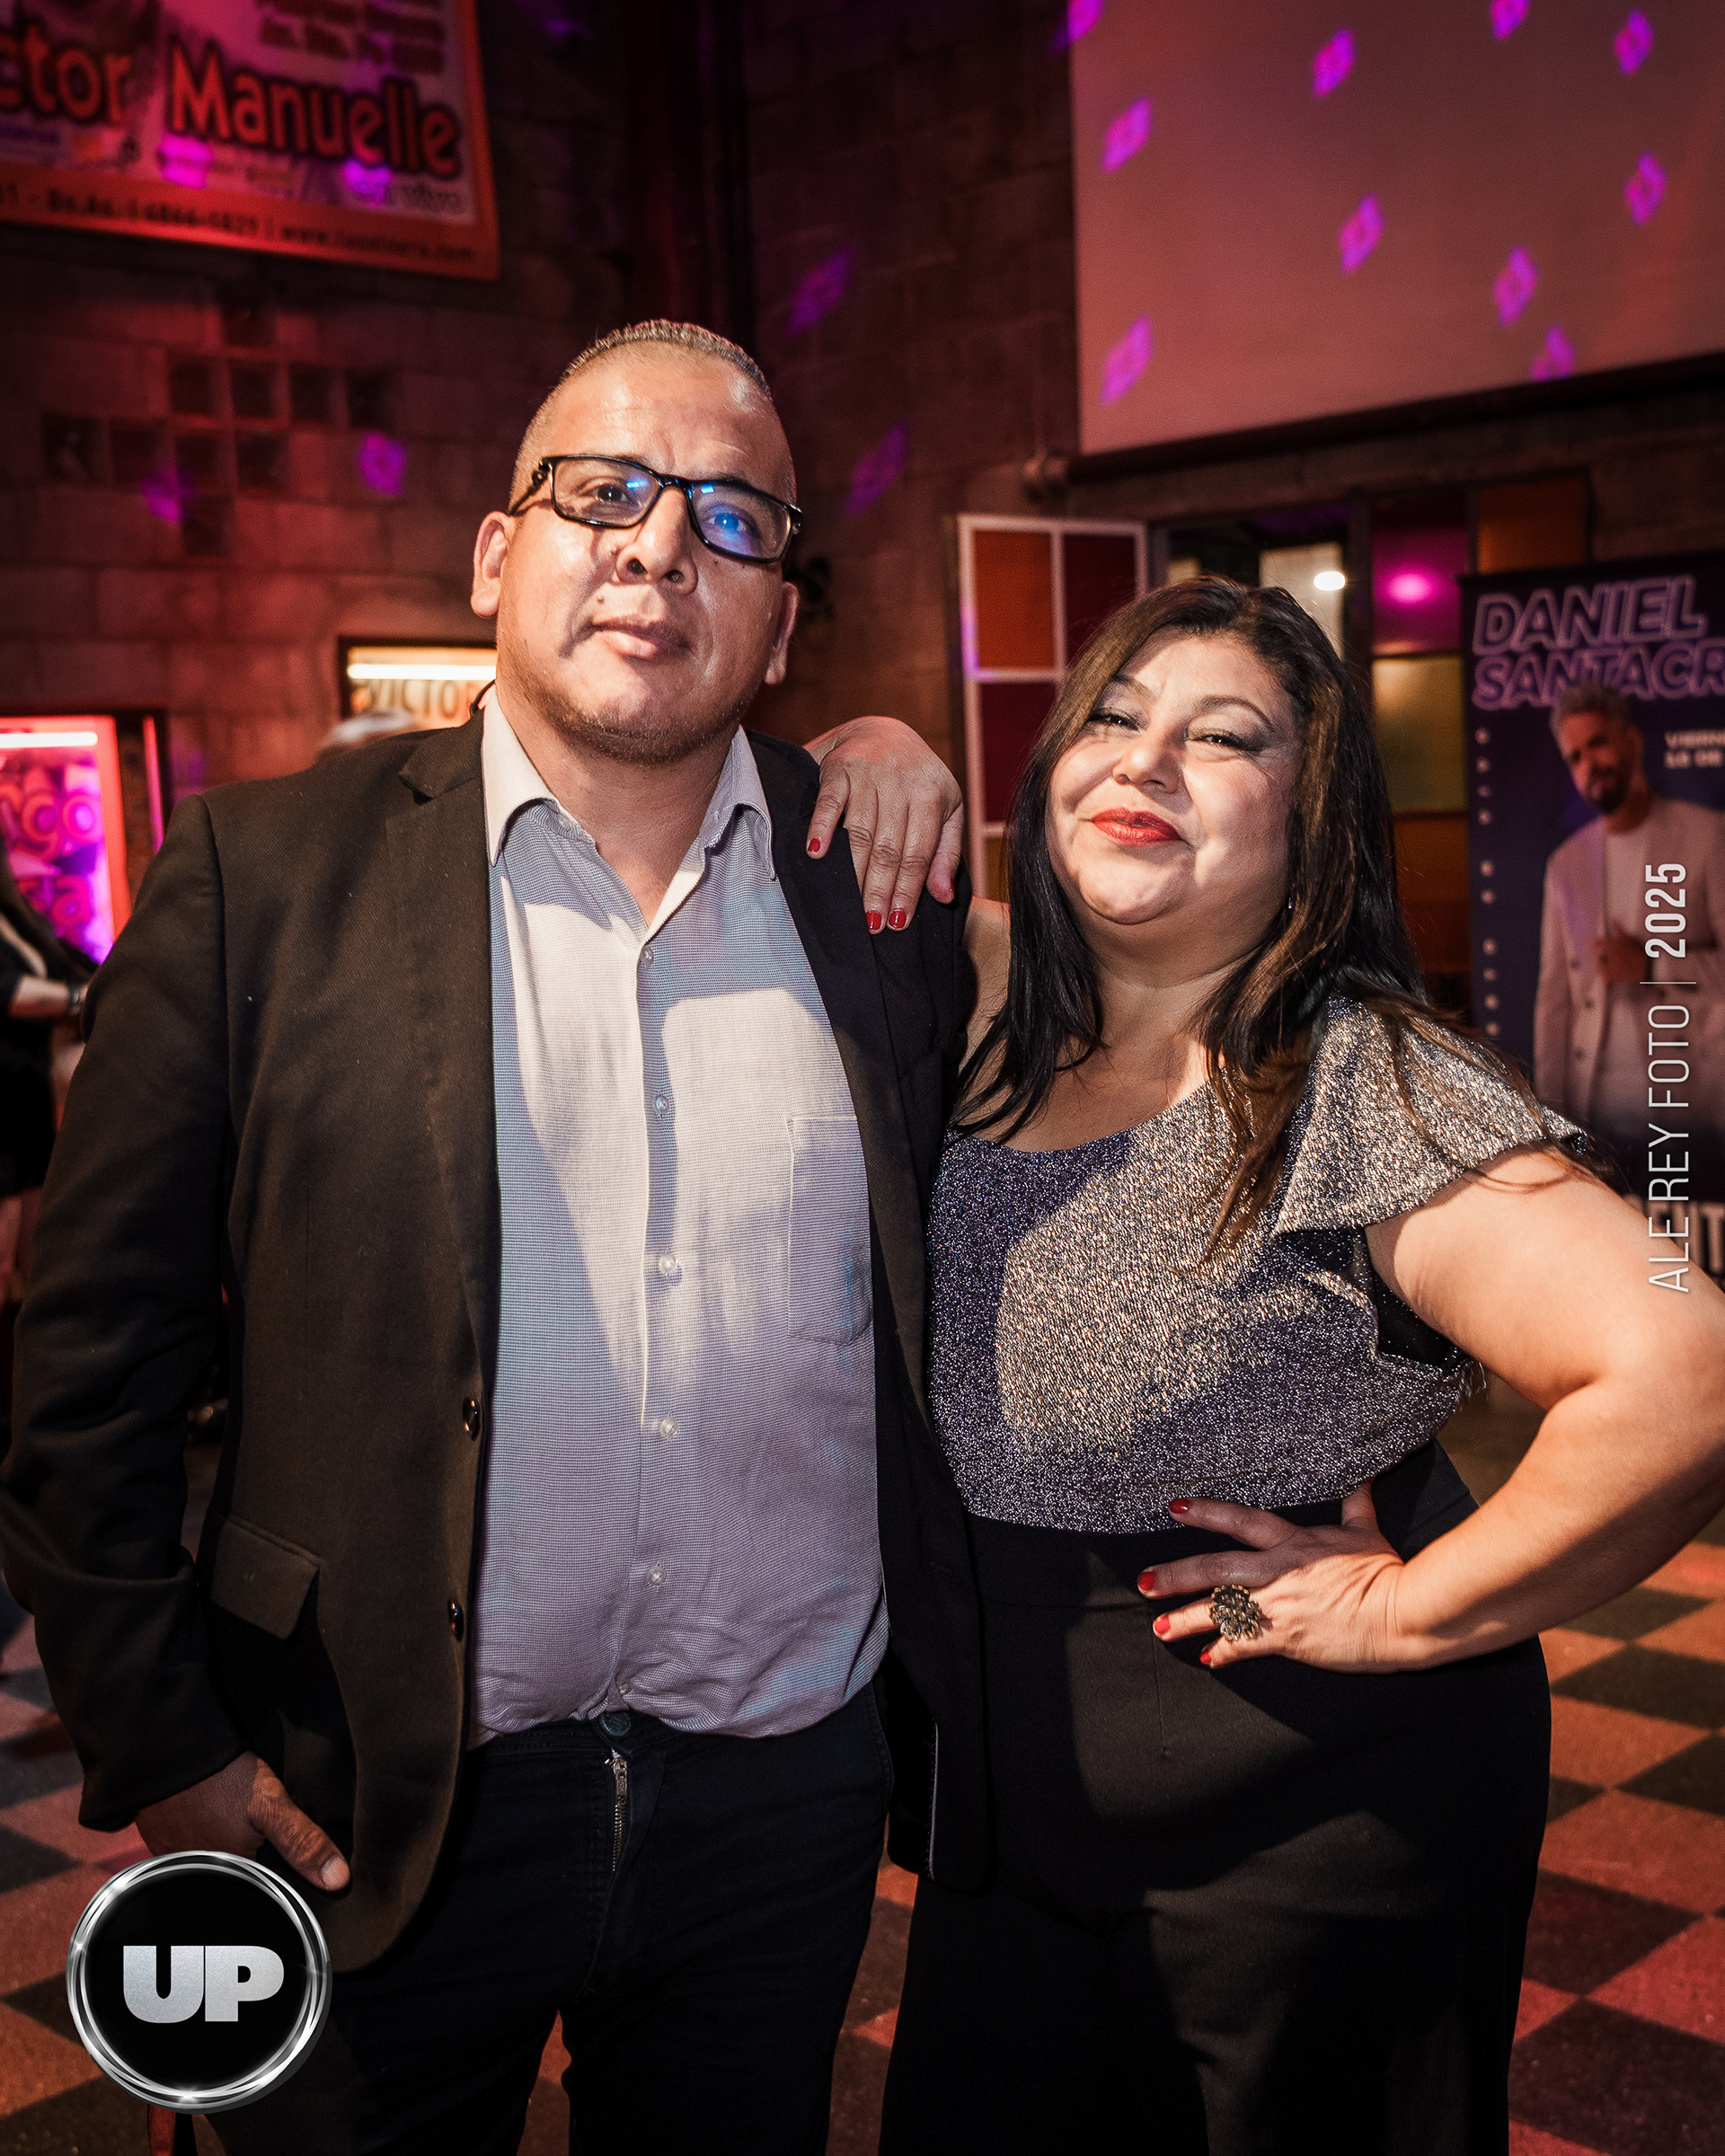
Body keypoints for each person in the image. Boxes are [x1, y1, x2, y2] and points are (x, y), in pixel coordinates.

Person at [0, 320, 982, 2156]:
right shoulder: (258, 879)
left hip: (778, 1799)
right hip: (358, 1785)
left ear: (783, 621)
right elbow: (89, 1366)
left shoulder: (881, 894)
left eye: (731, 518)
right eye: (603, 492)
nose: (657, 545)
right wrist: (163, 1744)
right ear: (492, 556)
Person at [878, 577, 1725, 2155]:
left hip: (1308, 1828)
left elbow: (1684, 1373)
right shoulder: (984, 1015)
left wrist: (1409, 1611)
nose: (1147, 760)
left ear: (1309, 818)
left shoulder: (1355, 1076)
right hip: (1005, 1827)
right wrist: (876, 741)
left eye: (1223, 738)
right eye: (1114, 717)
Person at [1534, 679, 1725, 1202]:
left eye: (1597, 743)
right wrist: (1551, 1128)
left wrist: (1651, 966)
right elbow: (1554, 1003)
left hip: (1693, 1122)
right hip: (1595, 1128)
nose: (1588, 765)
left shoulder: (1707, 836)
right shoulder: (1566, 864)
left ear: (1632, 740)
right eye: (1575, 757)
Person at [0, 849, 91, 1309]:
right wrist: (81, 997)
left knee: (42, 1275)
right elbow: (11, 995)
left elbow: (75, 965)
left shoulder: (15, 917)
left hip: (28, 1106)